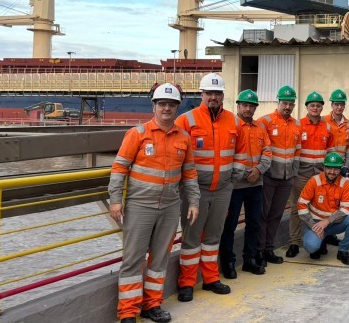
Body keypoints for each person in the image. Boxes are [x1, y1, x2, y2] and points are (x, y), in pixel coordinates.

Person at [109, 83, 200, 323]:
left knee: (159, 259)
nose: (166, 109)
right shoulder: (138, 134)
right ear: (154, 106)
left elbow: (189, 173)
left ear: (178, 107)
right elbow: (119, 168)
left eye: (171, 104)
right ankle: (128, 311)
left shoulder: (184, 138)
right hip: (140, 205)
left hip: (170, 206)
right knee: (133, 258)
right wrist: (116, 201)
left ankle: (152, 305)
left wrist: (193, 201)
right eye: (162, 104)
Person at [175, 73, 236, 302]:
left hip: (222, 189)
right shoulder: (186, 120)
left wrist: (235, 175)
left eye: (217, 93)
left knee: (213, 236)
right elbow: (175, 152)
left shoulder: (233, 120)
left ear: (222, 96)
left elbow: (239, 151)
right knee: (191, 238)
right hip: (195, 191)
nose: (213, 97)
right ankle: (187, 283)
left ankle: (211, 279)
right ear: (201, 94)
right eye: (208, 93)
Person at [220, 89, 271, 279]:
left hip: (256, 184)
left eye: (251, 106)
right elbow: (225, 153)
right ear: (238, 106)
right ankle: (228, 262)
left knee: (254, 224)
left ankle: (249, 260)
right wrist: (242, 174)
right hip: (235, 186)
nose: (248, 109)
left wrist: (258, 170)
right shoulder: (231, 127)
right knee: (230, 226)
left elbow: (268, 152)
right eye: (245, 105)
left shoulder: (260, 129)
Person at [286, 92, 334, 258]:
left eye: (318, 105)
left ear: (322, 108)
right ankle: (294, 242)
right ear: (307, 107)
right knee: (297, 207)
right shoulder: (298, 125)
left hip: (321, 173)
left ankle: (321, 240)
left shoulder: (327, 126)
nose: (315, 108)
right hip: (302, 173)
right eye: (312, 105)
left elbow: (331, 151)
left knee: (322, 207)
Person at [257, 85, 301, 265]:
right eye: (285, 103)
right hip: (269, 176)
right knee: (263, 214)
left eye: (291, 104)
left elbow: (297, 149)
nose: (288, 107)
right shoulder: (265, 121)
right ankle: (259, 251)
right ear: (278, 102)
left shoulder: (297, 124)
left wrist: (294, 172)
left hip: (287, 177)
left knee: (276, 214)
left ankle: (269, 249)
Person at [297, 152, 349, 265]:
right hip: (315, 224)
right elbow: (301, 205)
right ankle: (320, 242)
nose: (332, 172)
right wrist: (314, 226)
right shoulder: (314, 181)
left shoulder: (344, 183)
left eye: (336, 169)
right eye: (329, 168)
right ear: (324, 167)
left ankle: (343, 251)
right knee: (312, 247)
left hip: (334, 223)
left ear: (340, 169)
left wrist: (327, 221)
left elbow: (346, 208)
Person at [322, 89, 349, 247]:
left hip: (340, 169)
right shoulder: (324, 122)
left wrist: (346, 166)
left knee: (336, 201)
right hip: (327, 168)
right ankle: (321, 234)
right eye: (336, 104)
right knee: (324, 201)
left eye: (342, 104)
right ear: (332, 105)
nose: (339, 107)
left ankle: (331, 233)